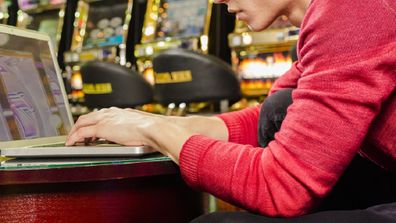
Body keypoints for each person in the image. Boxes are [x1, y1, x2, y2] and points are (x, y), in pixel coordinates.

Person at [66, 0, 396, 221]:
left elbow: (282, 186)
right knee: (279, 109)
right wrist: (158, 122)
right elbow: (282, 115)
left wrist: (153, 132)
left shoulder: (352, 9)